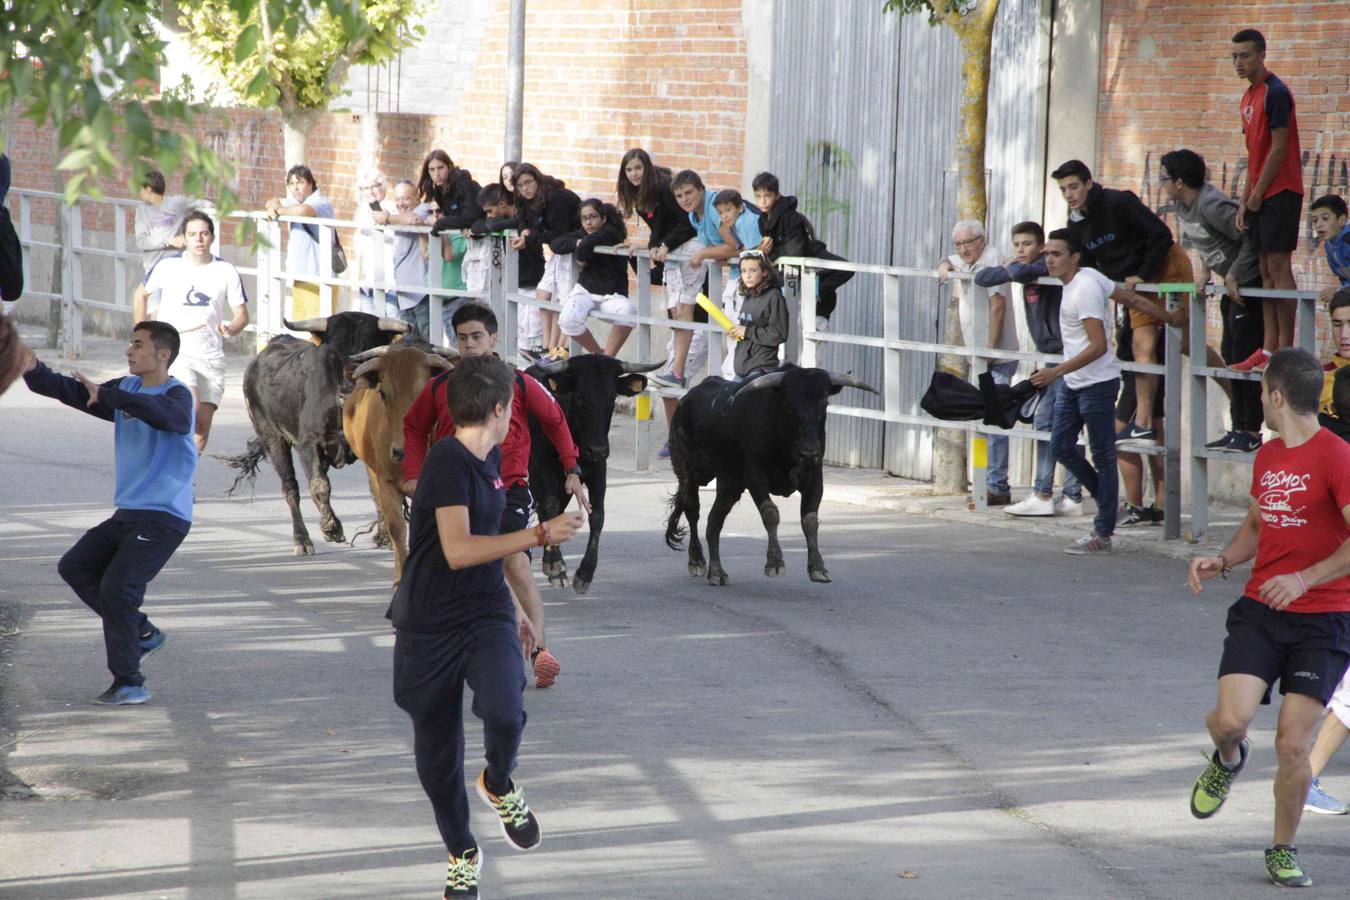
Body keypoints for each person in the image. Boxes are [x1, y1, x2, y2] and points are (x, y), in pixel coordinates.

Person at [392, 353, 584, 900]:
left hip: (483, 610)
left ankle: (498, 783)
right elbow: (456, 550)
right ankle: (462, 852)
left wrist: (515, 607)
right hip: (427, 623)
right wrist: (540, 535)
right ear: (500, 410)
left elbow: (484, 554)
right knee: (437, 757)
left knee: (505, 708)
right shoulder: (449, 462)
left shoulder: (492, 461)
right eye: (513, 410)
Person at [1186, 347, 1350, 888]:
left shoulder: (1337, 457)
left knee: (1292, 745)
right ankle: (1228, 757)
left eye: (1261, 391)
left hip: (1322, 619)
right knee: (1228, 722)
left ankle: (1282, 848)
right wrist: (1223, 559)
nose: (1261, 400)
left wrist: (1306, 578)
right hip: (1261, 609)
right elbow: (1258, 524)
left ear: (1277, 397)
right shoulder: (1269, 454)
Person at [402, 303, 589, 690]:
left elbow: (555, 420)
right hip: (456, 490)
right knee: (475, 569)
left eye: (477, 337)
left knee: (513, 566)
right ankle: (491, 652)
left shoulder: (518, 382)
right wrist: (414, 474)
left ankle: (539, 653)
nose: (470, 345)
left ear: (494, 338)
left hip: (509, 489)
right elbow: (413, 426)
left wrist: (572, 468)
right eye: (462, 338)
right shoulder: (441, 386)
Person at [18, 321, 196, 705]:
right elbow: (73, 391)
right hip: (129, 514)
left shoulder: (177, 395)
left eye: (138, 345)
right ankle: (143, 632)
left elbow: (171, 419)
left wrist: (112, 399)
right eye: (129, 344)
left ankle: (130, 681)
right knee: (76, 566)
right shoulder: (126, 388)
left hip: (165, 517)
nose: (129, 351)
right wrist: (32, 368)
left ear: (162, 354)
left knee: (119, 587)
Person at [1053, 158, 1193, 448]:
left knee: (1184, 344)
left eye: (1074, 186)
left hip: (1164, 266)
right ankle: (1143, 423)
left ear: (1089, 184)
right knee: (1144, 345)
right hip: (1133, 283)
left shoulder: (1117, 202)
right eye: (1064, 189)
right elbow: (1087, 267)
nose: (1069, 194)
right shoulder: (1075, 222)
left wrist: (1141, 274)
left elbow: (1160, 235)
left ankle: (1231, 390)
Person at [1030, 229, 1149, 554]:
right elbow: (1129, 298)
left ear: (1074, 258)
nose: (1049, 260)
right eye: (1047, 254)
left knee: (1103, 457)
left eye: (1056, 254)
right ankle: (1110, 505)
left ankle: (1103, 534)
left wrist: (1055, 371)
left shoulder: (1083, 289)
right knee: (1061, 446)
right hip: (1074, 383)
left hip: (1096, 384)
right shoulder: (1091, 276)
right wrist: (1166, 316)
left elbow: (1098, 346)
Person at [1159, 148, 1265, 453]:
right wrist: (1205, 271)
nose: (1162, 184)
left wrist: (1234, 274)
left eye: (1165, 178)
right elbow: (1206, 241)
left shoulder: (1211, 204)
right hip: (1230, 286)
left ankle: (1251, 429)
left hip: (1247, 283)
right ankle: (1238, 428)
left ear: (1180, 182)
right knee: (1230, 351)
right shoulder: (1183, 207)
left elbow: (1250, 237)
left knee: (1245, 354)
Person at [975, 221, 1083, 517]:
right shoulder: (1027, 268)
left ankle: (1045, 494)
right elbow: (982, 277)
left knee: (1047, 421)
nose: (1021, 250)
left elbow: (1019, 271)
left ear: (1042, 247)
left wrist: (1013, 268)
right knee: (1058, 422)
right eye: (1017, 245)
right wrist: (1010, 268)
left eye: (1028, 245)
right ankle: (1069, 495)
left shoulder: (1046, 267)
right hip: (1050, 355)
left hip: (1066, 355)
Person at [130, 211, 248, 452]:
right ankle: (164, 457)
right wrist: (140, 336)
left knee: (202, 426)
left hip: (210, 353)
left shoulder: (225, 271)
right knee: (189, 405)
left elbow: (242, 315)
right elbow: (140, 295)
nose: (199, 239)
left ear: (212, 237)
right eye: (192, 234)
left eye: (204, 233)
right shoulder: (168, 266)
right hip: (175, 350)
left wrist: (231, 327)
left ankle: (184, 480)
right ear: (184, 238)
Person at [1230, 29, 1304, 371]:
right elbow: (1253, 153)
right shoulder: (1247, 97)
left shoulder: (1276, 92)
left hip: (1281, 191)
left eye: (1245, 55)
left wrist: (1259, 193)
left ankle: (1285, 348)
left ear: (1261, 55)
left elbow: (1278, 148)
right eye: (1234, 56)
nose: (1239, 62)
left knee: (1278, 266)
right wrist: (1246, 199)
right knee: (1262, 269)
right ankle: (1269, 347)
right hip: (1259, 194)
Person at [937, 220, 1017, 505]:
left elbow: (998, 305)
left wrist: (991, 348)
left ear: (982, 239)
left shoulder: (991, 257)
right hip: (979, 357)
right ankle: (985, 481)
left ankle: (996, 485)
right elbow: (948, 260)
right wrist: (945, 263)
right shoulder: (965, 259)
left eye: (968, 242)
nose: (963, 248)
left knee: (993, 419)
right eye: (958, 244)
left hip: (997, 355)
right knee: (983, 419)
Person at [665, 172, 760, 386]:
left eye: (689, 192)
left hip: (753, 276)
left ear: (701, 189)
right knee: (733, 333)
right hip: (740, 274)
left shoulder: (714, 209)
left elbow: (736, 247)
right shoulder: (693, 216)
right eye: (679, 196)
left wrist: (704, 254)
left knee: (738, 333)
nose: (685, 199)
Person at [751, 171, 854, 331]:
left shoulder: (790, 217)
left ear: (777, 195)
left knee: (846, 268)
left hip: (810, 262)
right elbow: (770, 249)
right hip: (794, 280)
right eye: (758, 196)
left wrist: (819, 290)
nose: (762, 201)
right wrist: (762, 252)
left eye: (767, 195)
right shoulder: (763, 220)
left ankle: (817, 291)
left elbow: (795, 251)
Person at [510, 163, 581, 359]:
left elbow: (559, 232)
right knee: (542, 295)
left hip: (571, 247)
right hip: (558, 251)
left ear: (537, 180)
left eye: (528, 182)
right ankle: (547, 346)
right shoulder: (525, 199)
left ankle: (561, 348)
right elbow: (522, 219)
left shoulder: (555, 197)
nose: (525, 188)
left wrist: (530, 238)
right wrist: (526, 231)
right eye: (520, 185)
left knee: (563, 300)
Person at [554, 200, 636, 357]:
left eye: (593, 217)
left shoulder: (611, 232)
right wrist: (577, 242)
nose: (589, 223)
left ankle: (608, 358)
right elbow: (556, 244)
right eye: (584, 218)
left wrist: (581, 254)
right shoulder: (583, 234)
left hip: (612, 295)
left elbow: (590, 243)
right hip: (585, 291)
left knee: (628, 312)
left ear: (603, 219)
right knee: (567, 320)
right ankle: (599, 355)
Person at [262, 165, 338, 321]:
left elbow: (305, 211)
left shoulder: (320, 201)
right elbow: (271, 201)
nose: (295, 188)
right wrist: (276, 206)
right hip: (299, 276)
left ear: (310, 183)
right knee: (301, 329)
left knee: (319, 331)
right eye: (291, 184)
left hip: (319, 279)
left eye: (300, 182)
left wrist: (278, 211)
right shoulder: (293, 202)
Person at [706, 190, 764, 380]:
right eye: (721, 212)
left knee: (739, 334)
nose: (724, 216)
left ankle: (733, 377)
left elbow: (754, 256)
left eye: (728, 210)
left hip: (751, 287)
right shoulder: (739, 222)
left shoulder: (746, 222)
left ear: (740, 207)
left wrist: (737, 258)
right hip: (749, 283)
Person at [386, 180, 436, 339]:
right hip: (403, 293)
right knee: (409, 346)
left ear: (416, 198)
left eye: (406, 198)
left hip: (421, 293)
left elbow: (414, 219)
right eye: (398, 199)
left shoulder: (423, 209)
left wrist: (386, 218)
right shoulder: (398, 216)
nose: (401, 203)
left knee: (428, 345)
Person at [729, 251, 788, 379]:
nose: (747, 276)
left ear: (764, 272)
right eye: (743, 271)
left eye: (753, 270)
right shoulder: (749, 294)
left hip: (761, 369)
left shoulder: (774, 296)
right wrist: (737, 332)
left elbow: (779, 334)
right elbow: (747, 328)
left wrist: (747, 332)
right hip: (741, 369)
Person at [135, 169, 203, 274]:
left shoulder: (177, 203)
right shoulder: (141, 212)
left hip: (176, 268)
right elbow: (141, 242)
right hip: (153, 270)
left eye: (140, 190)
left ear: (148, 189)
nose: (139, 193)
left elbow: (201, 203)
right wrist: (168, 241)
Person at [353, 168, 400, 319]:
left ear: (383, 186)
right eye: (366, 188)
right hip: (368, 282)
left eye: (374, 186)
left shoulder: (392, 208)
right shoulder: (361, 211)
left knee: (394, 329)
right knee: (369, 328)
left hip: (390, 281)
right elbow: (360, 249)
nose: (370, 191)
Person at [1310, 194, 1350, 303]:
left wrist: (1339, 291)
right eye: (1315, 220)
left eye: (1325, 218)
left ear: (1342, 220)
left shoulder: (1348, 239)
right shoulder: (1329, 246)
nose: (1319, 224)